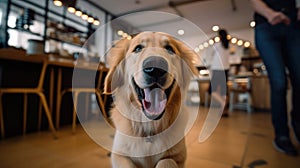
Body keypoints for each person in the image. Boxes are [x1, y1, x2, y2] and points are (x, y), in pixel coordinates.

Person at [249, 0, 300, 156]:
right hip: (266, 24)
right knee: (279, 82)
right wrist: (269, 13)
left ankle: (298, 125)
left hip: (293, 23)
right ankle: (281, 134)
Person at [208, 29, 230, 117]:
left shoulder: (217, 45)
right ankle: (224, 109)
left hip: (217, 69)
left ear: (219, 36)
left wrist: (213, 40)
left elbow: (210, 53)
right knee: (223, 92)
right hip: (226, 70)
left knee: (211, 91)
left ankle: (222, 103)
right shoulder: (228, 46)